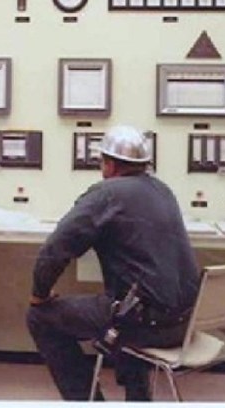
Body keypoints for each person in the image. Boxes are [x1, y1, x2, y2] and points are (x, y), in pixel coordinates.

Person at [26, 125, 200, 402]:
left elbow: (56, 248)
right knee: (124, 303)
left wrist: (40, 293)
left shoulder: (106, 194)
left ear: (107, 164)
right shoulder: (163, 190)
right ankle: (137, 397)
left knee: (40, 318)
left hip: (149, 325)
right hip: (187, 319)